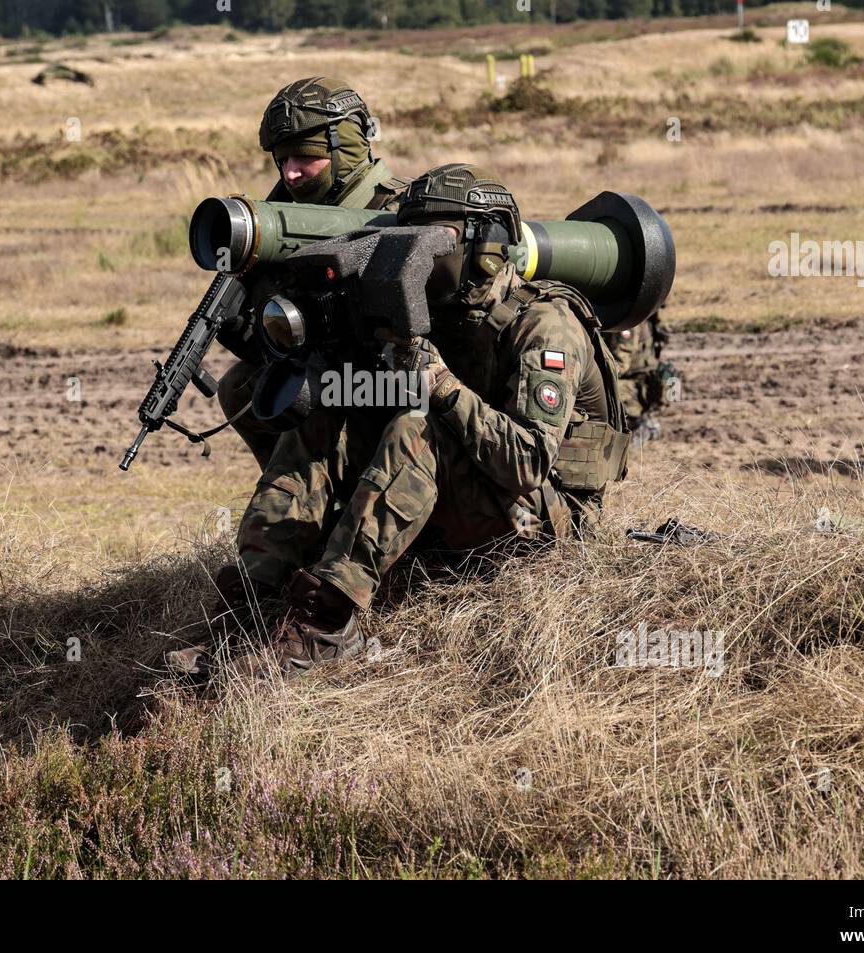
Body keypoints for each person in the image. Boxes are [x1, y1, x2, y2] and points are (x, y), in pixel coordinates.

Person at [180, 164, 630, 678]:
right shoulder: (442, 308)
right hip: (476, 496)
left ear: (487, 247)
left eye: (437, 238)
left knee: (418, 424)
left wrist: (438, 383)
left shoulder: (544, 326)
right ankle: (249, 607)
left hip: (544, 520)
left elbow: (526, 462)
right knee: (328, 414)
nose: (418, 252)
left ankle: (328, 620)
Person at [215, 77, 406, 469]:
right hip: (330, 374)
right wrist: (249, 331)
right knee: (241, 387)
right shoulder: (283, 223)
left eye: (303, 157)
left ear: (345, 147)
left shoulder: (398, 212)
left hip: (395, 384)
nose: (290, 174)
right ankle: (301, 500)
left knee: (312, 393)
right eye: (282, 160)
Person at [610, 309, 674, 446]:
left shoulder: (629, 321)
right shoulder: (644, 312)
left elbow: (620, 364)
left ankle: (638, 425)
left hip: (635, 387)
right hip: (638, 383)